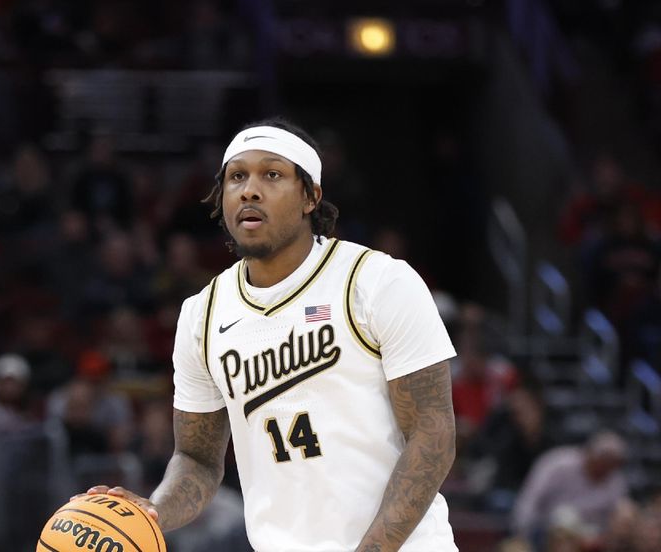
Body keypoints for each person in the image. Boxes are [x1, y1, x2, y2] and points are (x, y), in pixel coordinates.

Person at [82, 118, 458, 551]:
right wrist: (151, 512)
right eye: (237, 177)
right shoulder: (202, 315)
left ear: (310, 196)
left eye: (272, 174)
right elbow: (197, 459)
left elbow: (434, 432)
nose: (250, 189)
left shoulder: (376, 281)